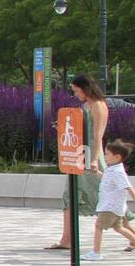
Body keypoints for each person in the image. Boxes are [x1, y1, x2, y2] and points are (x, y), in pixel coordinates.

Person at [46, 74, 110, 250]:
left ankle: (131, 233)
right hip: (78, 155)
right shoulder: (86, 105)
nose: (75, 95)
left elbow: (97, 135)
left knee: (105, 197)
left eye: (76, 91)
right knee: (69, 196)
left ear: (85, 88)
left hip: (91, 156)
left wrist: (95, 160)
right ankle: (66, 239)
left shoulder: (98, 105)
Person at [82, 139, 135, 260]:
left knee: (98, 226)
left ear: (117, 157)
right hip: (113, 206)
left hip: (110, 206)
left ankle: (96, 252)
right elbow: (107, 178)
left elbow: (128, 187)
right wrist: (98, 173)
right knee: (119, 228)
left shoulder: (118, 172)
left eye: (107, 154)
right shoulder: (112, 169)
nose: (104, 156)